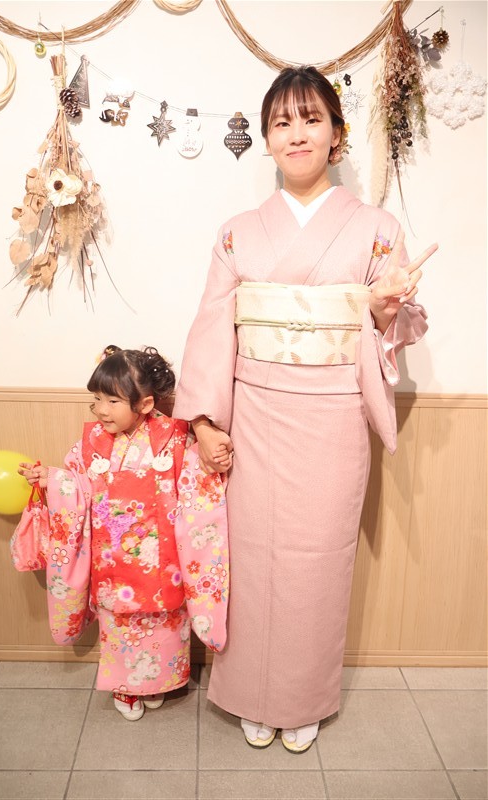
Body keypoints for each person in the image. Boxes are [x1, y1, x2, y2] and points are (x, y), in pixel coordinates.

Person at [173, 66, 438, 753]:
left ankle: (303, 698)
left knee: (318, 560)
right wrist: (203, 423)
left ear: (335, 135)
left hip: (333, 415)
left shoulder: (376, 228)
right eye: (282, 122)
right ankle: (249, 694)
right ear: (266, 139)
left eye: (311, 119)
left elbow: (397, 322)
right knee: (252, 558)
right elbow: (212, 327)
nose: (296, 133)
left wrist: (387, 309)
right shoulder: (238, 233)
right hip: (255, 415)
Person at [18, 345, 229, 721]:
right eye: (96, 399)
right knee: (121, 628)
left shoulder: (174, 438)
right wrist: (54, 479)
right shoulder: (92, 443)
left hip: (164, 560)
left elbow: (196, 482)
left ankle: (159, 682)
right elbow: (78, 485)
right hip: (113, 561)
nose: (101, 410)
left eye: (112, 401)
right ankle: (125, 687)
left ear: (145, 404)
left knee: (165, 623)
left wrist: (212, 460)